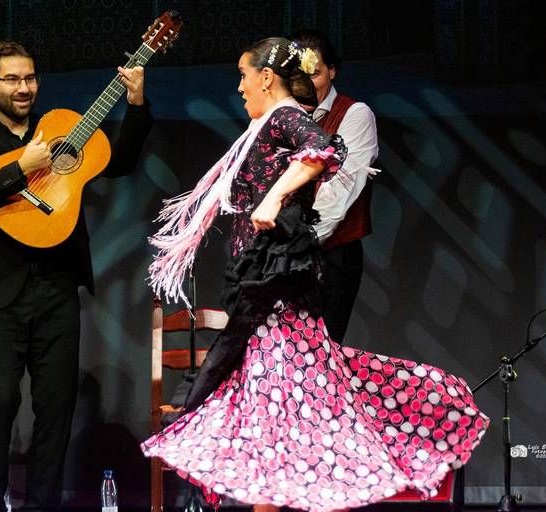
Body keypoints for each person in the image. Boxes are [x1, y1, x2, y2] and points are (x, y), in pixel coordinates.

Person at [142, 37, 488, 512]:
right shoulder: (265, 123)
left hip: (277, 292)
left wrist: (274, 197)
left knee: (288, 405)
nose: (239, 86)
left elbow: (323, 150)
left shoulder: (285, 115)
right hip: (263, 284)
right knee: (283, 406)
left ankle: (427, 412)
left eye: (243, 74)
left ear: (266, 76)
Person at [0, 41, 153, 512]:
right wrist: (22, 168)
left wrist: (136, 104)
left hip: (57, 286)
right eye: (12, 79)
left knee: (56, 409)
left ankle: (43, 505)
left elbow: (118, 161)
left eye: (30, 78)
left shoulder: (62, 131)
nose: (24, 88)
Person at [291, 29, 379, 345]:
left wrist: (292, 251)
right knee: (281, 365)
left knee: (318, 362)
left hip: (330, 256)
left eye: (313, 74)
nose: (304, 84)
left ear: (331, 70)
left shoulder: (355, 115)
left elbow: (337, 194)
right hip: (284, 256)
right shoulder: (285, 118)